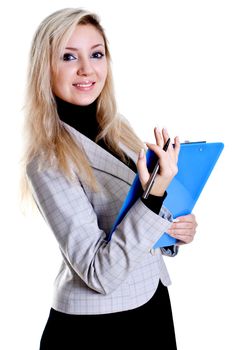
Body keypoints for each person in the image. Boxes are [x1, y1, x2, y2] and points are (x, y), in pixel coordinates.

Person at [22, 8, 197, 349]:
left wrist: (173, 230)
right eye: (69, 56)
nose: (87, 69)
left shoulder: (118, 130)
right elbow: (100, 272)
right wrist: (154, 198)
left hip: (152, 306)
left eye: (96, 54)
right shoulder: (47, 161)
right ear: (45, 68)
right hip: (99, 328)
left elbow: (140, 219)